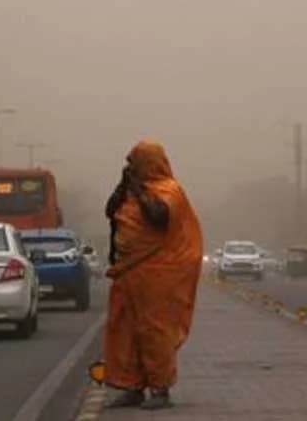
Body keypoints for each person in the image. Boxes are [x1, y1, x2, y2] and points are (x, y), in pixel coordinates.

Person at [102, 140, 203, 411]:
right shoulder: (129, 192)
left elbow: (158, 216)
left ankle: (160, 389)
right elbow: (110, 211)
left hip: (157, 272)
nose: (130, 168)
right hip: (128, 271)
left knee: (154, 331)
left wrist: (137, 187)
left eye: (134, 163)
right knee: (125, 330)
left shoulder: (170, 190)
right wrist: (124, 185)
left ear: (148, 163)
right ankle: (132, 387)